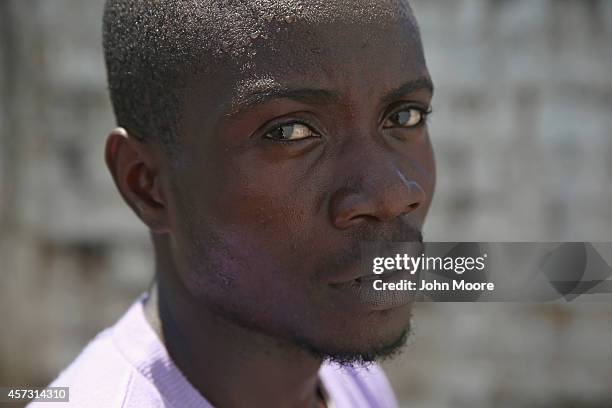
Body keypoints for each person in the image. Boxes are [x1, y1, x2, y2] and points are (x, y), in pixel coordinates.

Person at [32, 0, 435, 406]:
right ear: (146, 184)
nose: (394, 194)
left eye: (405, 117)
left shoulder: (352, 385)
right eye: (289, 132)